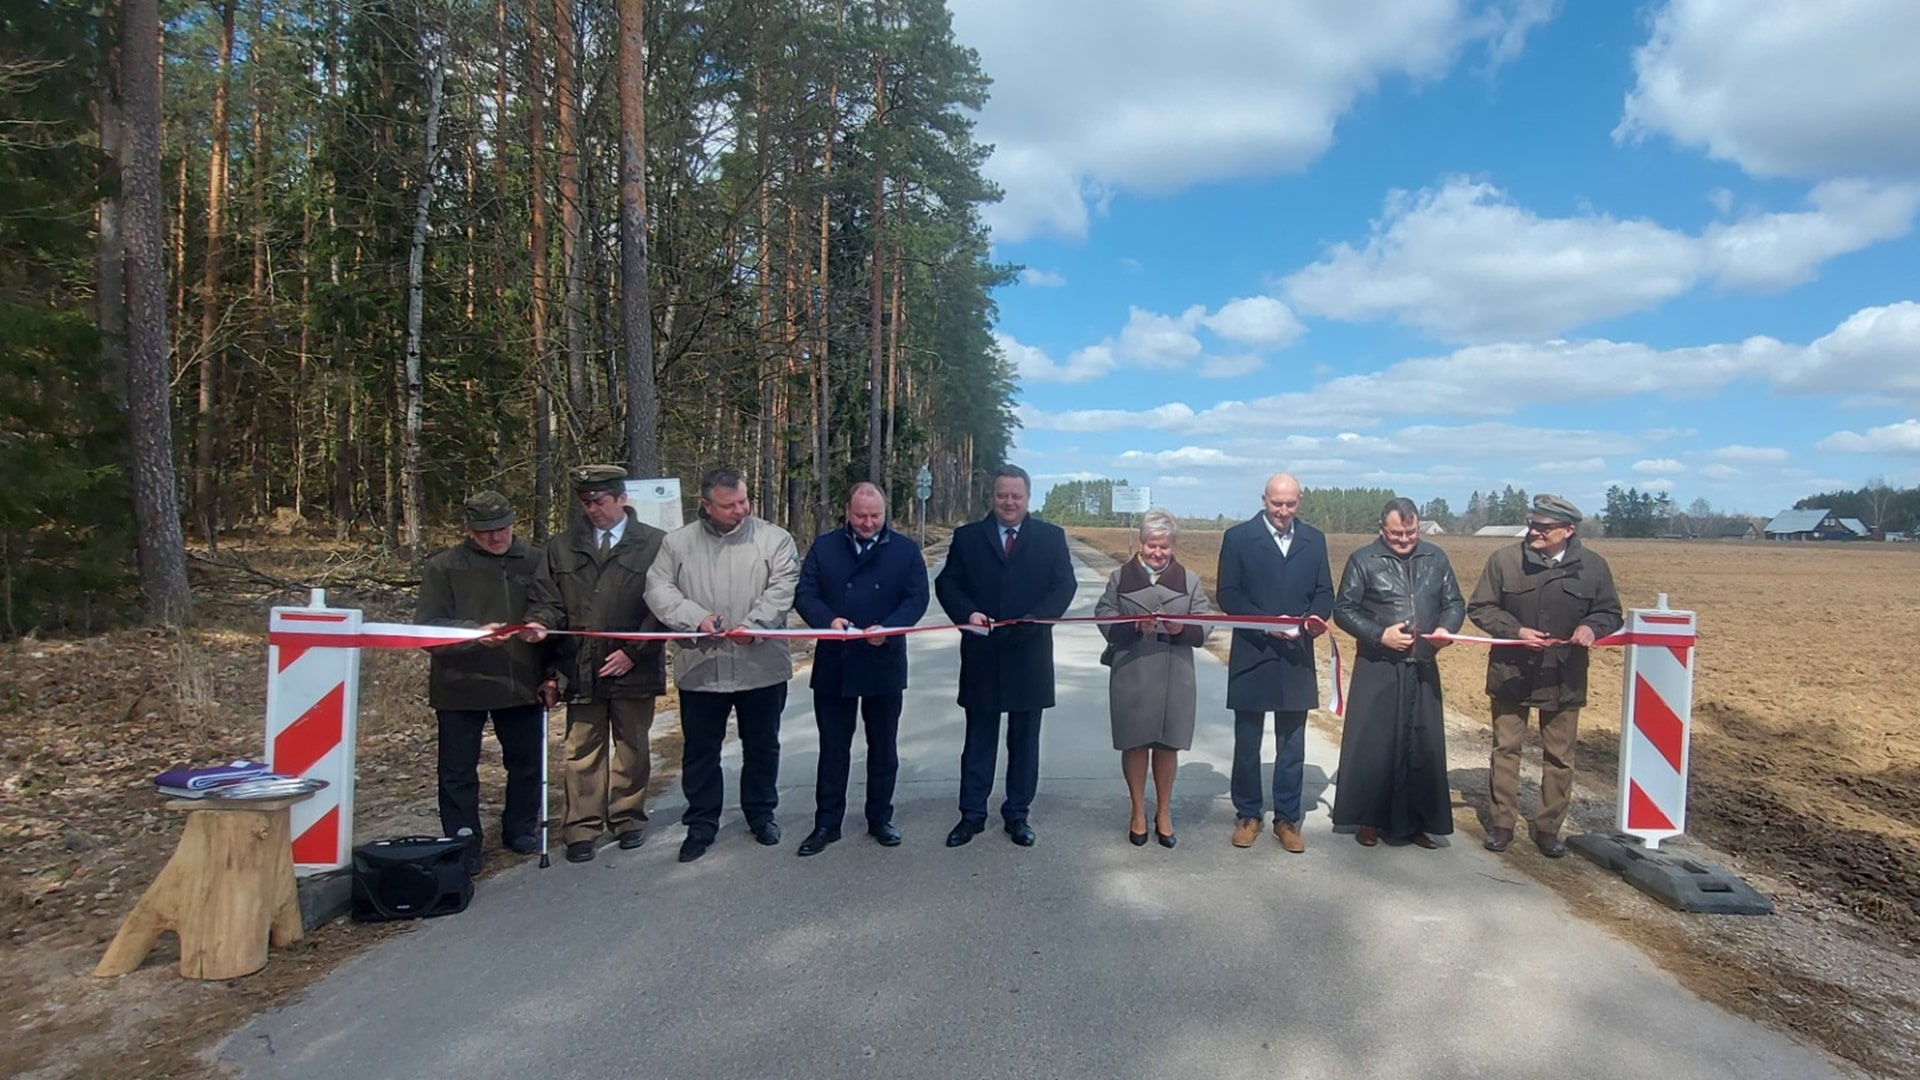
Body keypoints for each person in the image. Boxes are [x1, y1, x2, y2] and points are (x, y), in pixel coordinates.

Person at [645, 467, 800, 863]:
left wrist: (756, 623)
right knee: (701, 750)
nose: (740, 510)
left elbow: (783, 588)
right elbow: (659, 589)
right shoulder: (677, 544)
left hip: (760, 664)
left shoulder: (773, 538)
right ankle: (701, 822)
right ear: (706, 505)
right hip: (701, 665)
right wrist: (694, 616)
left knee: (762, 745)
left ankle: (761, 813)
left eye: (744, 501)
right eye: (729, 505)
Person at [522, 465, 669, 865]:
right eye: (585, 502)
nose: (592, 510)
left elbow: (663, 605)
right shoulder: (562, 547)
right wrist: (541, 627)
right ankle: (582, 827)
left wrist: (633, 652)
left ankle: (628, 818)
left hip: (633, 662)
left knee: (632, 744)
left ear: (622, 499)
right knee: (582, 748)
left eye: (600, 501)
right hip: (580, 663)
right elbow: (548, 600)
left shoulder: (654, 543)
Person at [1466, 493, 1623, 858]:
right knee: (1506, 749)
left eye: (1545, 527)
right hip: (1512, 671)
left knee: (1560, 756)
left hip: (1563, 675)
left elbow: (1610, 613)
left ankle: (1548, 828)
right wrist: (1515, 631)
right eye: (1533, 524)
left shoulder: (1593, 567)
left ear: (1568, 530)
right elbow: (1480, 608)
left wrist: (1590, 628)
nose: (1535, 531)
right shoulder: (1504, 561)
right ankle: (1502, 824)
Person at [933, 464, 1077, 848]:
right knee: (979, 739)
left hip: (1029, 652)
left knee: (1024, 741)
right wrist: (967, 614)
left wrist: (1038, 617)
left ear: (1028, 498)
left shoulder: (1050, 537)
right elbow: (947, 583)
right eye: (1002, 495)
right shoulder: (967, 537)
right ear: (992, 497)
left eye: (1016, 495)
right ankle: (971, 815)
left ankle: (1017, 815)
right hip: (982, 652)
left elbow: (1064, 584)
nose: (1009, 502)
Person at [791, 482, 930, 856]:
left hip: (883, 659)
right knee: (833, 748)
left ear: (885, 513)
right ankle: (826, 823)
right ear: (847, 512)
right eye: (860, 515)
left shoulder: (904, 550)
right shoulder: (824, 547)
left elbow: (917, 597)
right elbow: (805, 594)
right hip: (836, 660)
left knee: (882, 746)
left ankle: (880, 818)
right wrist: (827, 620)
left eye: (875, 516)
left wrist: (891, 626)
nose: (868, 523)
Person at [416, 491, 549, 872]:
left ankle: (521, 827)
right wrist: (473, 633)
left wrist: (542, 626)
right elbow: (427, 628)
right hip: (461, 683)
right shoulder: (444, 567)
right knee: (457, 770)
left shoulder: (535, 560)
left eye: (503, 528)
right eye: (486, 531)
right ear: (469, 531)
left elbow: (551, 606)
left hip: (520, 680)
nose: (496, 538)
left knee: (526, 762)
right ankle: (463, 839)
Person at [1330, 498, 1465, 848]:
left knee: (1421, 746)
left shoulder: (1436, 558)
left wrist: (1446, 630)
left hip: (1422, 662)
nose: (1404, 539)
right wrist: (1379, 635)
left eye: (1410, 532)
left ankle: (1415, 822)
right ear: (1382, 529)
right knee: (1374, 746)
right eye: (1396, 533)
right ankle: (1369, 818)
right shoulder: (1364, 560)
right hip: (1378, 664)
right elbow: (1343, 609)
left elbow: (1454, 603)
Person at [1216, 472, 1334, 852]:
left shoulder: (1314, 540)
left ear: (1300, 501)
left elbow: (1324, 592)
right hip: (1253, 651)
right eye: (1276, 503)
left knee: (1293, 743)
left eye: (1290, 503)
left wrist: (1309, 623)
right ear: (1263, 499)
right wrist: (1267, 626)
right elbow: (1227, 594)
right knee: (1248, 741)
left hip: (1296, 655)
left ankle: (1287, 818)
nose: (1283, 511)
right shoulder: (1237, 538)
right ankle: (1248, 814)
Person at [1095, 508, 1212, 849]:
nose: (1157, 553)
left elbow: (1205, 620)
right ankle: (1137, 812)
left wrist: (1184, 627)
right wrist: (1132, 626)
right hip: (1133, 669)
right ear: (1141, 543)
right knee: (1135, 742)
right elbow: (1103, 614)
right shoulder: (1120, 578)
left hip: (1175, 671)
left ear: (1172, 545)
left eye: (1164, 546)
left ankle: (1163, 811)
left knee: (1166, 743)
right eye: (1151, 545)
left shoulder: (1189, 580)